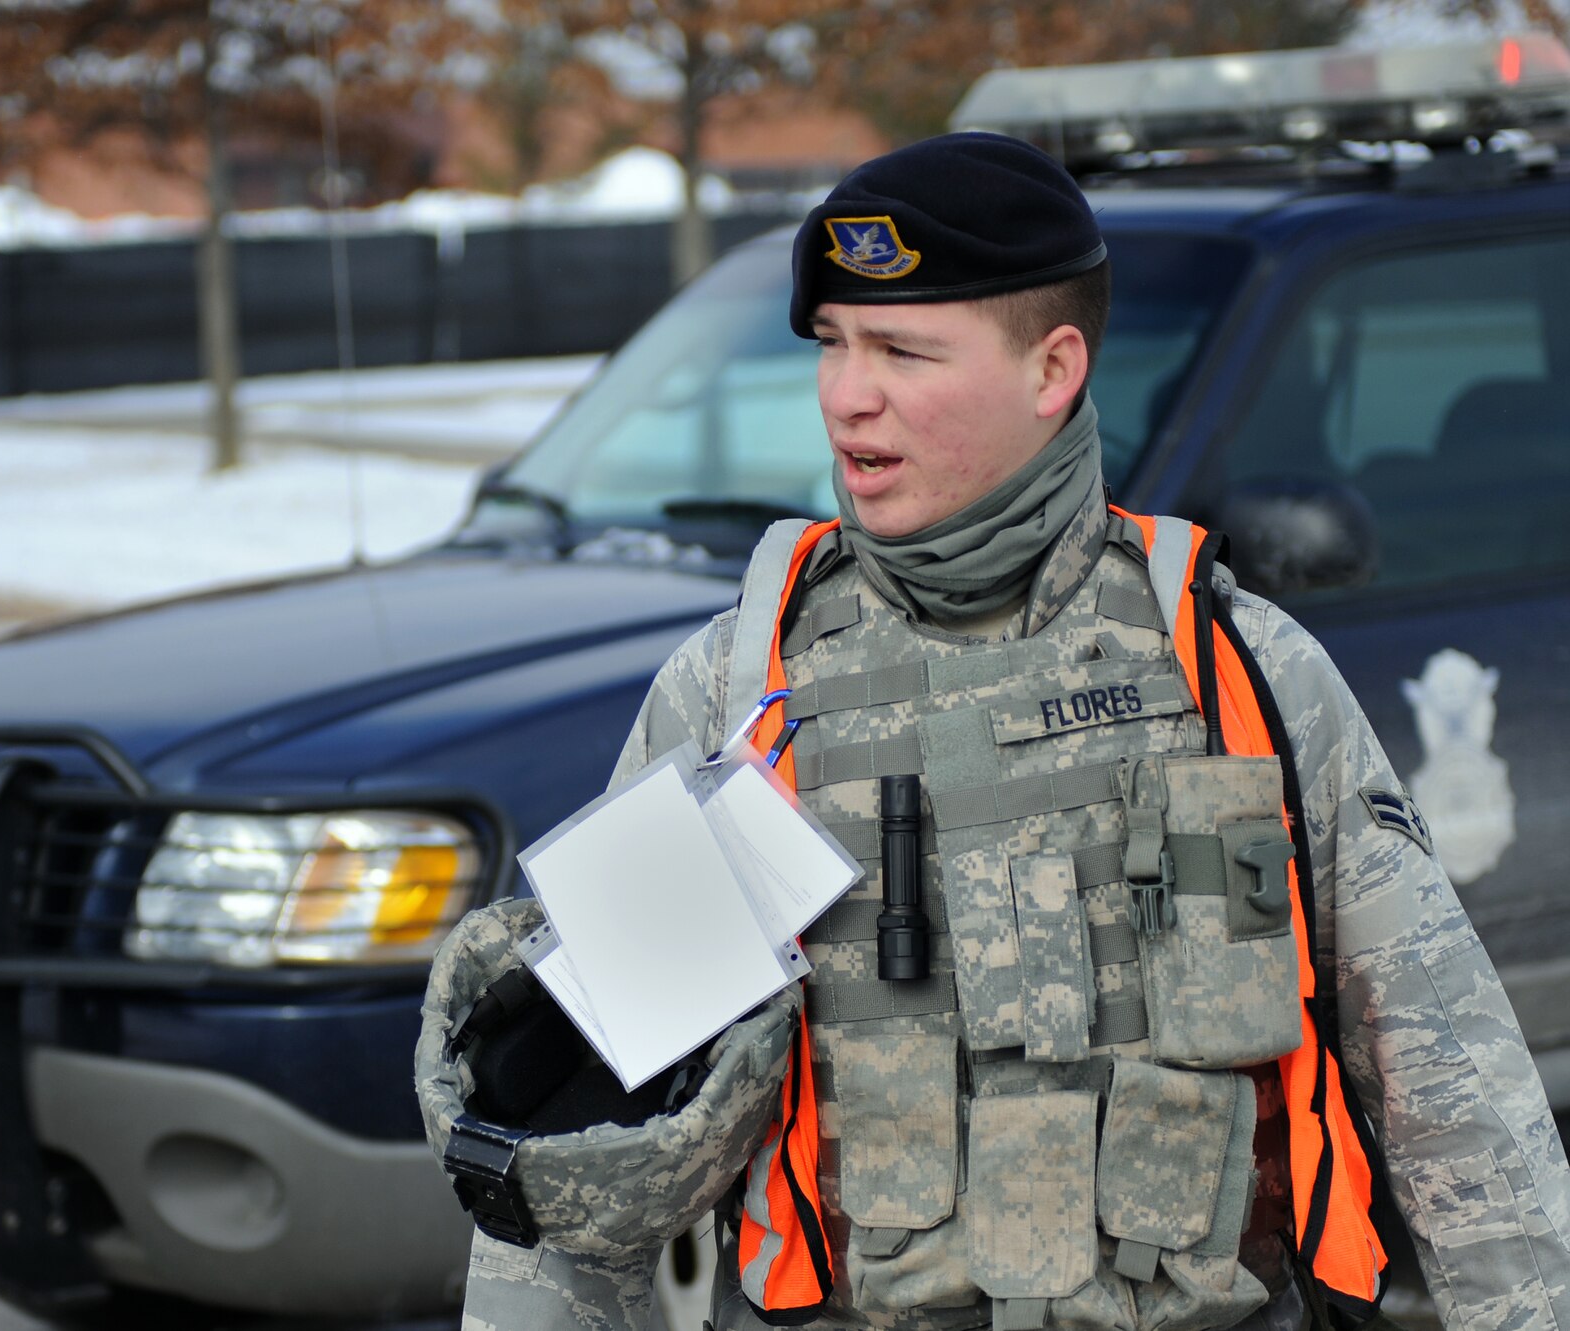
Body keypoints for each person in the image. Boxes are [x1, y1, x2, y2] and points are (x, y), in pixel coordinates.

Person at [440, 132, 1570, 1331]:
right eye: (830, 343)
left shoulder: (1234, 669)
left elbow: (1455, 1097)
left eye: (899, 349)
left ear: (1052, 369)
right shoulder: (740, 694)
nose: (844, 393)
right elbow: (573, 1173)